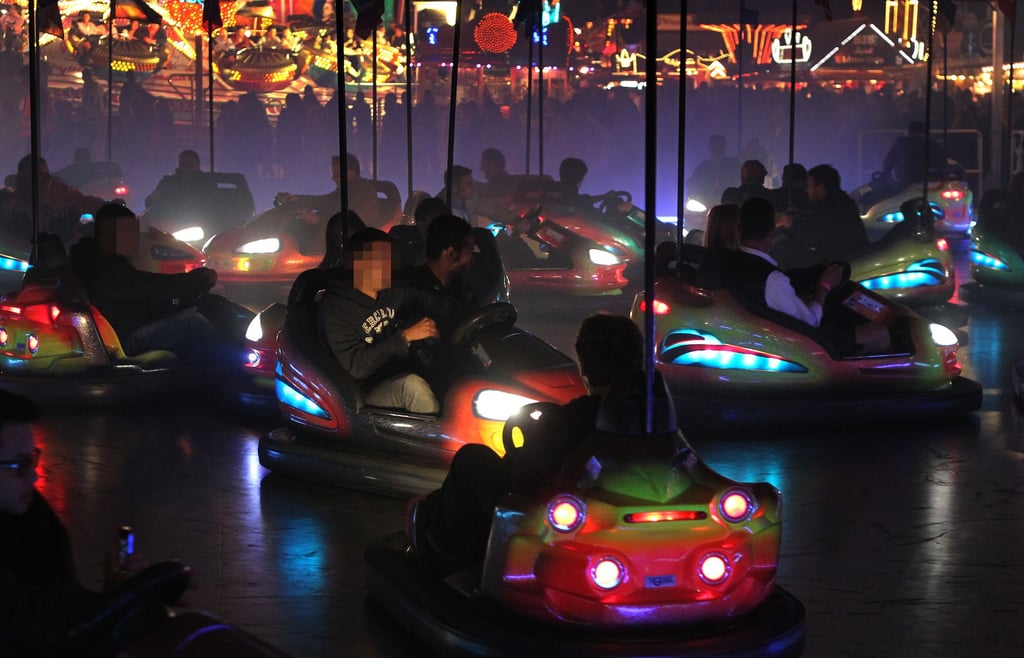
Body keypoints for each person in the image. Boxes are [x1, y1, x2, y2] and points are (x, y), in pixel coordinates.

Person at [407, 313, 645, 577]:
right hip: (617, 510)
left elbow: (523, 478)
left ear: (584, 366)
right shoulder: (652, 412)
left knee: (471, 459)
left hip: (558, 522)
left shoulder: (575, 418)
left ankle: (443, 556)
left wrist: (526, 446)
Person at [0, 391, 104, 654]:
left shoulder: (36, 522)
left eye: (33, 460)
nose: (33, 477)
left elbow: (62, 607)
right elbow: (26, 623)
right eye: (20, 465)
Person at [726, 197, 889, 354]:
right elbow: (810, 322)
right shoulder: (772, 280)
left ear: (739, 229)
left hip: (761, 336)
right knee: (880, 333)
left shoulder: (732, 263)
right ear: (771, 233)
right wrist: (824, 286)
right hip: (800, 347)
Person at [69, 203, 219, 357]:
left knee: (194, 311)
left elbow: (144, 290)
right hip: (123, 338)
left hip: (125, 327)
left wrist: (181, 300)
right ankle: (225, 371)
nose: (135, 238)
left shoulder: (100, 259)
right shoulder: (103, 266)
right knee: (194, 323)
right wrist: (197, 280)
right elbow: (149, 287)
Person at [317, 228, 441, 414]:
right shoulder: (335, 310)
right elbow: (357, 366)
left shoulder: (393, 293)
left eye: (389, 259)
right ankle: (438, 443)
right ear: (356, 263)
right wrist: (405, 337)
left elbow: (430, 301)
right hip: (364, 391)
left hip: (402, 371)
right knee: (413, 388)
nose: (387, 265)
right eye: (379, 259)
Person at [776, 164, 868, 269]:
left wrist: (789, 221)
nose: (806, 190)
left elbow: (810, 237)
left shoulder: (831, 206)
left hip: (843, 265)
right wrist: (802, 214)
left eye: (808, 186)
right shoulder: (839, 202)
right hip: (846, 260)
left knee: (783, 249)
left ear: (820, 187)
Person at [144, 149, 215, 210]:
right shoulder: (167, 182)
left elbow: (212, 205)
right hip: (169, 222)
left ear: (198, 166)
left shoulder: (207, 182)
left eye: (190, 165)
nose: (186, 168)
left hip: (201, 221)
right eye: (182, 165)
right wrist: (152, 199)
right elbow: (149, 202)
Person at [686, 134, 740, 210]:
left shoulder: (733, 165)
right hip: (705, 204)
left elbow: (737, 181)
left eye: (719, 145)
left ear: (723, 147)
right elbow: (692, 182)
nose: (716, 148)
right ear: (710, 147)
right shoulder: (702, 167)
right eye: (714, 145)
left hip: (728, 204)